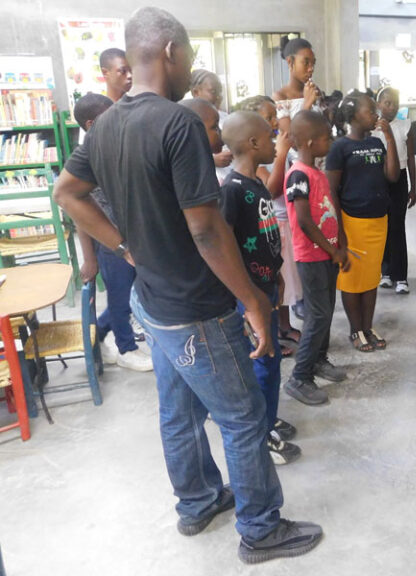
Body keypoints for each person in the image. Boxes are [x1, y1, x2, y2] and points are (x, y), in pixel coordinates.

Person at [54, 6, 322, 564]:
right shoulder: (177, 122)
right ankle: (260, 529)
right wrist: (251, 301)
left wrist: (123, 242)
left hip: (153, 301)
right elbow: (204, 227)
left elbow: (68, 193)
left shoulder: (105, 125)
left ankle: (198, 501)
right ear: (171, 52)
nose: (191, 64)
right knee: (244, 416)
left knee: (178, 413)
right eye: (191, 54)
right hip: (198, 305)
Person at [218, 109, 301, 465]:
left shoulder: (254, 185)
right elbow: (223, 245)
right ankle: (261, 433)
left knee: (270, 363)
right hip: (249, 296)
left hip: (266, 286)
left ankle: (267, 417)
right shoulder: (232, 191)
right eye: (269, 137)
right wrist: (247, 295)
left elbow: (264, 236)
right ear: (253, 144)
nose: (274, 141)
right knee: (263, 363)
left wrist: (277, 272)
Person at [73, 93, 152, 372]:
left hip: (133, 238)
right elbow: (79, 215)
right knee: (120, 298)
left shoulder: (115, 148)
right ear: (93, 123)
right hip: (109, 244)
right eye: (112, 115)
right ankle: (126, 348)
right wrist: (89, 258)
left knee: (129, 297)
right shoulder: (85, 160)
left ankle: (95, 339)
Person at [326, 91, 399, 353]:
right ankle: (355, 329)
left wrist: (389, 138)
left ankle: (367, 327)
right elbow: (331, 191)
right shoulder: (340, 147)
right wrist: (340, 233)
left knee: (370, 278)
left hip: (378, 221)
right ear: (354, 115)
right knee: (351, 280)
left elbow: (392, 176)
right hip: (352, 222)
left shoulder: (378, 143)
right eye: (369, 111)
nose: (375, 115)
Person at [283, 110, 349, 405]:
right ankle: (300, 377)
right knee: (317, 315)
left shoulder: (318, 173)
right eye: (326, 137)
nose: (331, 141)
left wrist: (341, 246)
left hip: (328, 254)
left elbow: (331, 212)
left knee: (326, 311)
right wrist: (332, 249)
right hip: (311, 256)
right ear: (309, 142)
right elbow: (305, 221)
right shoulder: (297, 175)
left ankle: (319, 359)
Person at [236, 96, 303, 355]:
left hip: (283, 223)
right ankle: (273, 332)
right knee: (273, 281)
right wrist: (282, 153)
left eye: (275, 116)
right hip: (270, 223)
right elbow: (272, 189)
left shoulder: (271, 147)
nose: (275, 122)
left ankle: (284, 326)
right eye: (269, 118)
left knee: (285, 280)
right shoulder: (259, 156)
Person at [273, 36, 323, 321]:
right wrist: (305, 104)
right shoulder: (280, 97)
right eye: (306, 62)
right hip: (296, 176)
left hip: (317, 171)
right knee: (298, 236)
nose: (311, 68)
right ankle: (298, 296)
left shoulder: (313, 93)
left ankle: (313, 289)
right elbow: (290, 137)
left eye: (313, 63)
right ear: (290, 62)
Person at [374, 87, 416, 294]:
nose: (391, 107)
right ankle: (386, 273)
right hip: (378, 181)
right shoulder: (373, 127)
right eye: (387, 103)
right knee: (383, 227)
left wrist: (413, 187)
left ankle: (401, 277)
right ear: (379, 104)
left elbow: (410, 158)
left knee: (397, 227)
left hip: (399, 181)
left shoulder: (405, 126)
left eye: (395, 103)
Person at [190, 69, 233, 181]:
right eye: (213, 92)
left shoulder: (226, 117)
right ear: (196, 92)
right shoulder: (188, 121)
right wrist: (211, 160)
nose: (219, 97)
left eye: (220, 92)